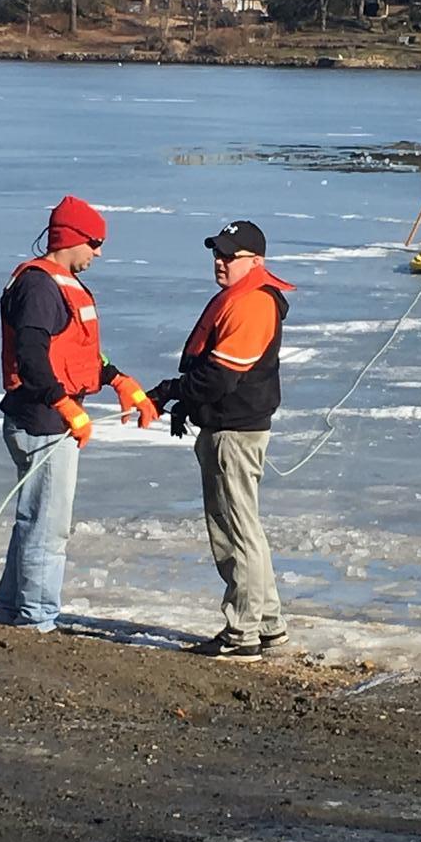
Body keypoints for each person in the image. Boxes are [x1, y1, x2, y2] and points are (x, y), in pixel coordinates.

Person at [0, 195, 158, 632]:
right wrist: (63, 404)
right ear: (71, 239)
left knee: (34, 516)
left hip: (51, 418)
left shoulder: (61, 283)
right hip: (42, 421)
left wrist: (120, 380)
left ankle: (11, 607)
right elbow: (32, 357)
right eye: (95, 242)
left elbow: (78, 352)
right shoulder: (38, 287)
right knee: (47, 526)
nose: (99, 253)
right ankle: (37, 617)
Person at [148, 221, 295, 663]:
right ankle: (268, 624)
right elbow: (213, 374)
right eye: (217, 253)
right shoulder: (243, 297)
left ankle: (243, 632)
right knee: (243, 526)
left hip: (235, 432)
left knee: (236, 531)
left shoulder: (253, 303)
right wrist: (185, 405)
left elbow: (222, 373)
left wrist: (174, 392)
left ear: (256, 261)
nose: (220, 261)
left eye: (230, 255)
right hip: (227, 426)